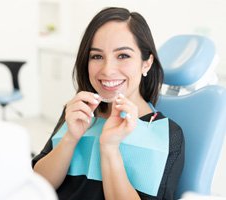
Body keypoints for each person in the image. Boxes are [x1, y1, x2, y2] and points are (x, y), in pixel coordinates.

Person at [32, 7, 184, 200]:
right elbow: (36, 187)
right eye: (97, 56)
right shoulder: (78, 111)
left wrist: (110, 148)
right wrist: (70, 137)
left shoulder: (167, 134)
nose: (107, 70)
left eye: (123, 55)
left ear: (146, 63)